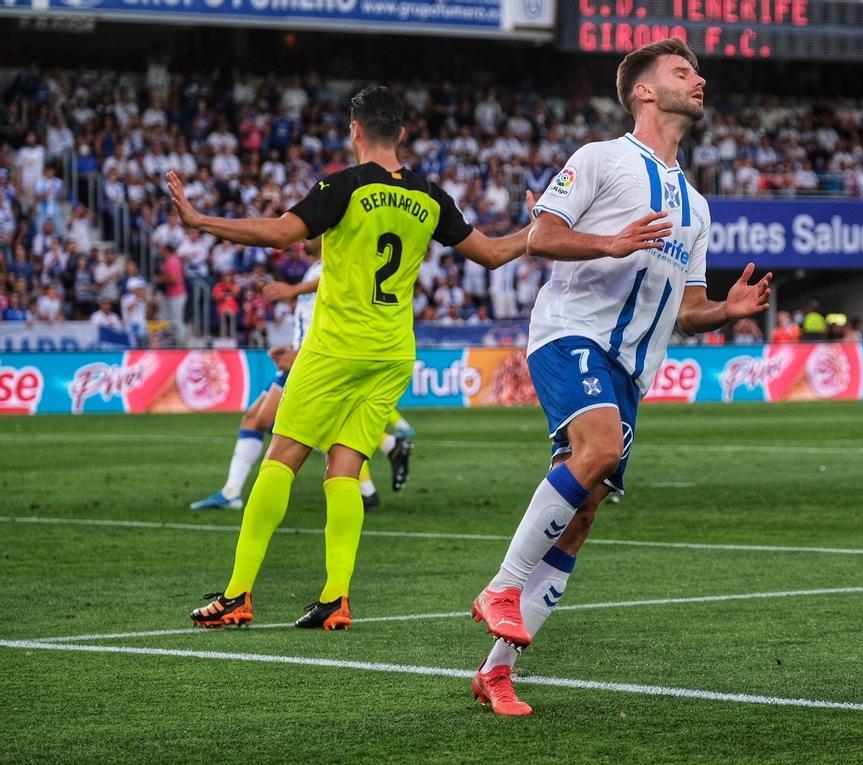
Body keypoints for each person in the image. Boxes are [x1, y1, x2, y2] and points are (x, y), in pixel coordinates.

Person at [468, 40, 771, 716]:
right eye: (683, 72)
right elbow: (541, 235)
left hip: (631, 369)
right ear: (643, 91)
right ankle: (502, 586)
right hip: (571, 332)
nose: (699, 80)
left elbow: (688, 310)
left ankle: (496, 672)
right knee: (599, 449)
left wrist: (727, 311)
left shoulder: (697, 206)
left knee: (579, 521)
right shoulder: (601, 159)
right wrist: (609, 241)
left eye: (697, 72)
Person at [171, 85, 534, 631]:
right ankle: (335, 599)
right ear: (402, 134)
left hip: (336, 347)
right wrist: (537, 229)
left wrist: (201, 221)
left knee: (282, 458)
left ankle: (237, 594)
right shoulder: (430, 196)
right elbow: (493, 253)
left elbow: (281, 234)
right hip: (392, 353)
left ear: (355, 130)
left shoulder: (343, 186)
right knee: (345, 466)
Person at [189, 240, 416, 513]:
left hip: (313, 362)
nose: (303, 238)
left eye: (311, 233)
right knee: (263, 420)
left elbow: (337, 291)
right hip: (301, 357)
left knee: (276, 422)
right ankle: (384, 456)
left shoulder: (334, 264)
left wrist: (293, 292)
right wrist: (292, 347)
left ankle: (376, 469)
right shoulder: (315, 270)